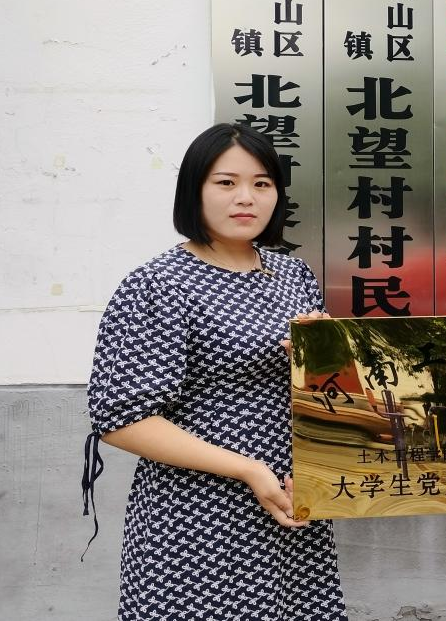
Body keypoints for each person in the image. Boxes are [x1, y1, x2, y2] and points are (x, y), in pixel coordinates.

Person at [83, 123, 346, 620]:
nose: (246, 197)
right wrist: (249, 470)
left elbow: (321, 388)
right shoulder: (159, 284)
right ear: (194, 190)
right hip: (197, 514)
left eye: (262, 183)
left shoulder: (293, 275)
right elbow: (119, 419)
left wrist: (326, 357)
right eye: (226, 182)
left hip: (289, 498)